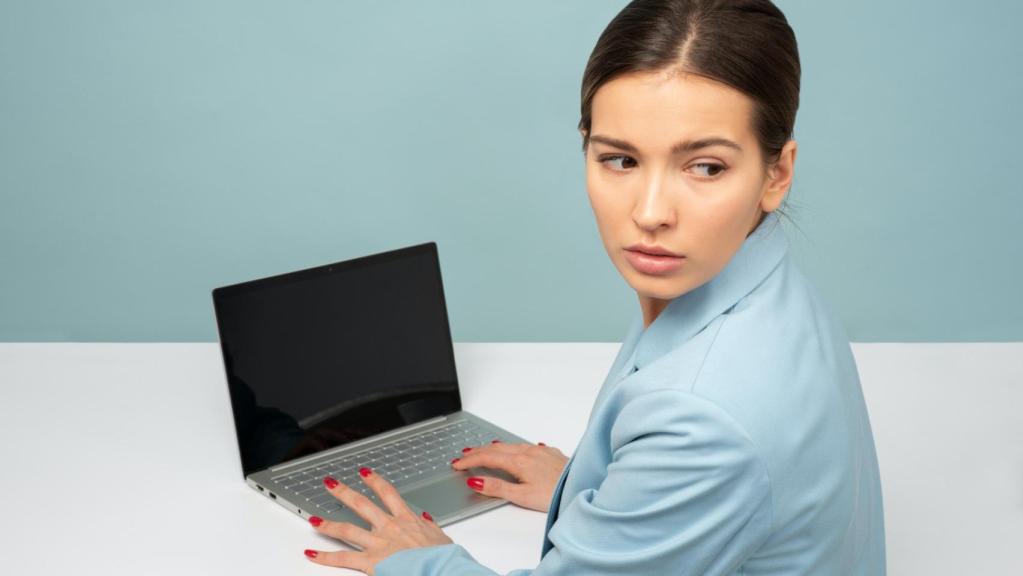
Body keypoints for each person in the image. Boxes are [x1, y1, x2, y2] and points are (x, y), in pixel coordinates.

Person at [300, 0, 887, 573]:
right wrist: (596, 487)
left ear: (775, 173)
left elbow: (714, 433)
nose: (651, 213)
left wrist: (422, 561)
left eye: (705, 166)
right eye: (620, 160)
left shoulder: (700, 421)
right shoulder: (760, 278)